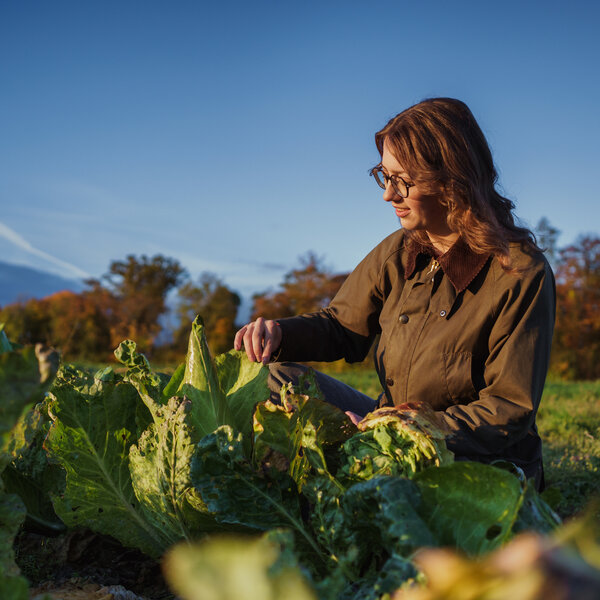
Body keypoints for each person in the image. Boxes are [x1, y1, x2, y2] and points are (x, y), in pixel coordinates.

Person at [234, 97, 555, 491]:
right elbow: (341, 327)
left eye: (403, 180)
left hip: (474, 456)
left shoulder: (520, 272)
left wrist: (398, 431)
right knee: (278, 379)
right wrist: (281, 334)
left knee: (390, 490)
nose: (388, 194)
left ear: (451, 179)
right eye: (383, 176)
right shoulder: (399, 250)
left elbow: (508, 408)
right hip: (384, 427)